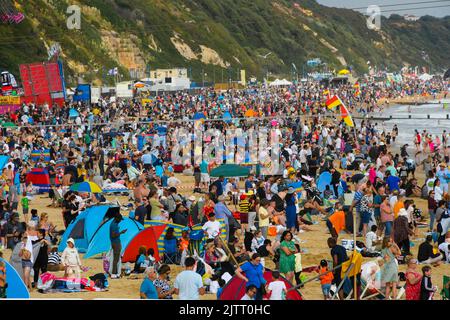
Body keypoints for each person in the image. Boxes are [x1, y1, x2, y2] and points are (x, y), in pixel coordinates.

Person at [110, 213, 126, 278]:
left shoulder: (114, 223)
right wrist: (121, 232)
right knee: (116, 259)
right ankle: (114, 274)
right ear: (117, 218)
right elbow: (113, 235)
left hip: (115, 242)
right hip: (116, 243)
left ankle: (115, 273)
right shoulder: (114, 225)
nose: (120, 221)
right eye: (120, 219)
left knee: (116, 259)